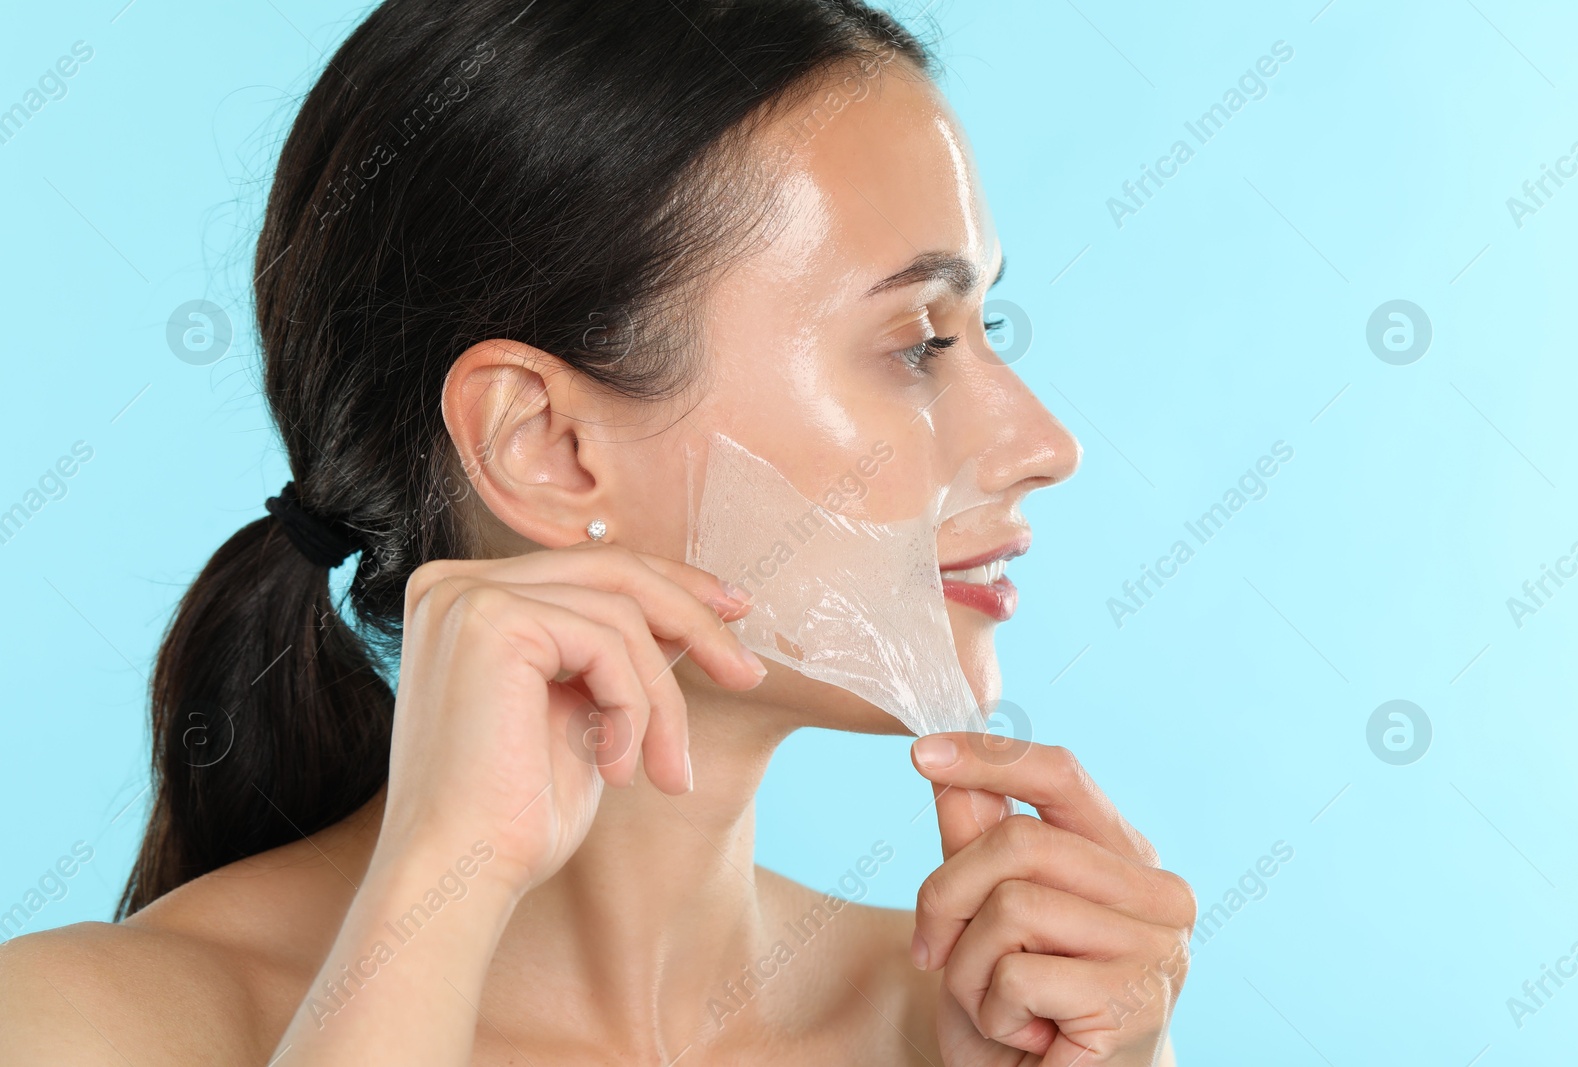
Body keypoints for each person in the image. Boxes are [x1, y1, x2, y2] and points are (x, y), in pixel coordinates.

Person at [0, 1, 1195, 1062]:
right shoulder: (82, 1027)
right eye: (916, 342)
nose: (1044, 443)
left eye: (987, 329)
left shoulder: (977, 1028)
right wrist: (437, 891)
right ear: (547, 447)